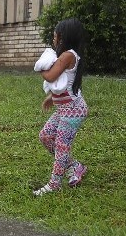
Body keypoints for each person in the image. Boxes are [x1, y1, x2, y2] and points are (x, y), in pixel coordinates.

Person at [33, 18, 88, 196]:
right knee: (45, 136)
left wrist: (39, 67)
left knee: (61, 145)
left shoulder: (67, 55)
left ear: (63, 36)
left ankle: (54, 183)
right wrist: (52, 97)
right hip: (65, 109)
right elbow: (64, 81)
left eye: (55, 35)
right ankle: (74, 166)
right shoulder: (66, 55)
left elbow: (51, 76)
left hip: (73, 111)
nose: (53, 38)